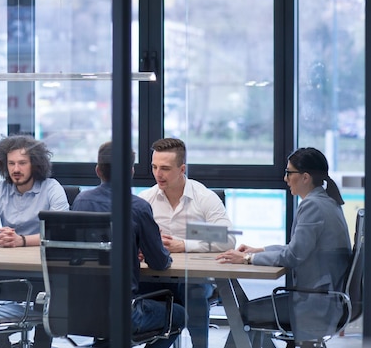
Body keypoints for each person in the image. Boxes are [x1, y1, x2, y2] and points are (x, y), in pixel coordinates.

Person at [216, 147, 352, 346]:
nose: (285, 178)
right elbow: (298, 249)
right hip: (325, 300)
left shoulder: (312, 205)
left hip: (313, 305)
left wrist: (247, 259)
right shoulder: (327, 201)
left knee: (242, 314)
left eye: (289, 173)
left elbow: (293, 256)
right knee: (245, 311)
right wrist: (259, 251)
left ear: (305, 177)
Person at [71, 141, 185, 348]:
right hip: (125, 312)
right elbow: (159, 263)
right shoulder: (138, 207)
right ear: (131, 171)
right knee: (178, 314)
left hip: (81, 310)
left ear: (98, 170)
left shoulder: (80, 201)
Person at [138, 137, 235, 348]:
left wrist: (184, 245)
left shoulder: (203, 198)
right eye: (154, 167)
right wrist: (141, 248)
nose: (157, 174)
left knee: (192, 290)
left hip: (194, 278)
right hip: (156, 276)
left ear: (182, 169)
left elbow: (227, 239)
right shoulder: (146, 199)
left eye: (165, 168)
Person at [0, 134, 69, 247]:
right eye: (11, 163)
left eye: (22, 163)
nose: (16, 169)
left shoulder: (52, 188)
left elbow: (58, 233)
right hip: (7, 257)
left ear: (35, 165)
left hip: (40, 258)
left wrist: (22, 240)